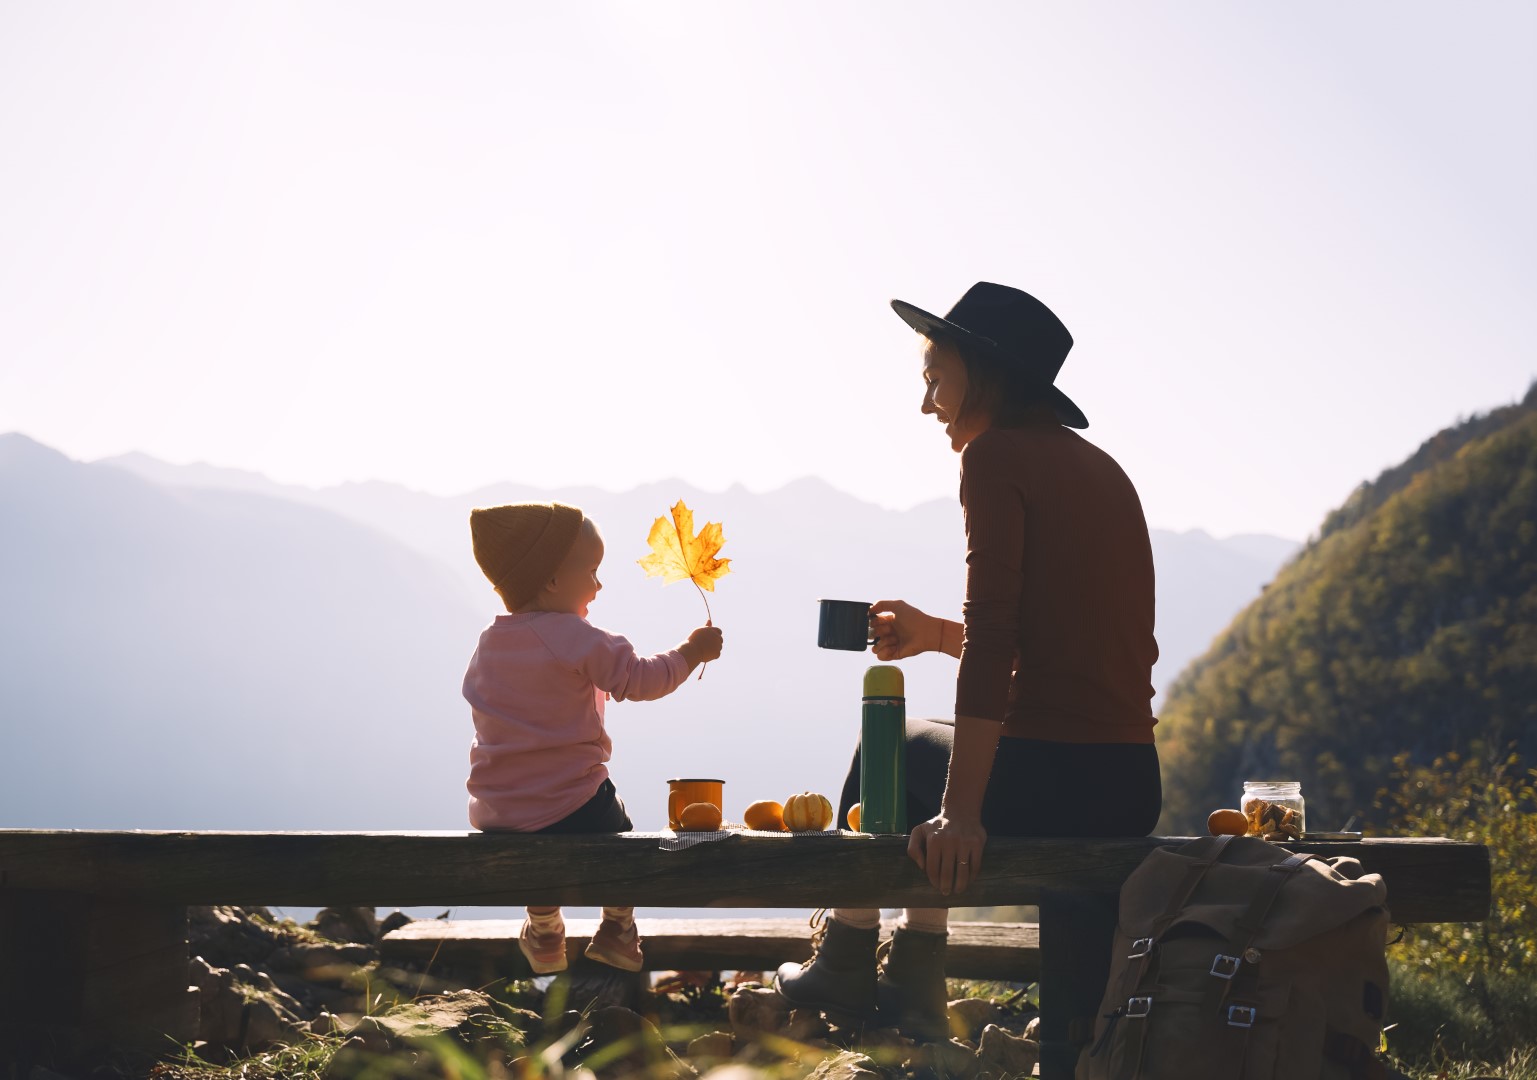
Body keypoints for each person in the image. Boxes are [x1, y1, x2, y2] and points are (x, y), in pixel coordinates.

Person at [775, 282, 1161, 1039]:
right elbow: (1062, 649)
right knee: (1073, 1037)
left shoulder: (994, 457)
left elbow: (993, 642)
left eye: (933, 380)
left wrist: (960, 812)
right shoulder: (1101, 468)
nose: (927, 405)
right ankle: (916, 973)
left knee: (892, 739)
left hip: (1049, 781)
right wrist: (930, 634)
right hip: (1125, 783)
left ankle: (854, 958)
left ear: (983, 374)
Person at [462, 502, 724, 974]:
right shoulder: (576, 637)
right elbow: (639, 680)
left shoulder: (488, 642)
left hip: (498, 810)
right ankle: (619, 929)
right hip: (573, 805)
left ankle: (544, 932)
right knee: (614, 828)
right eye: (592, 571)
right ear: (551, 580)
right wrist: (691, 652)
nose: (599, 585)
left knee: (534, 839)